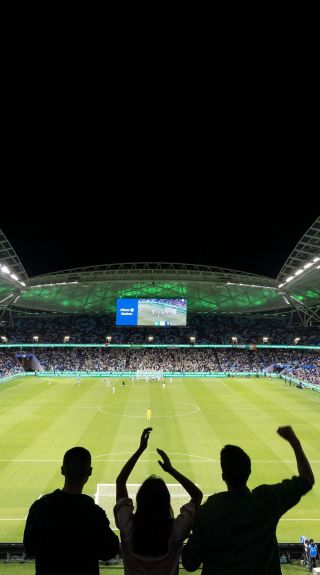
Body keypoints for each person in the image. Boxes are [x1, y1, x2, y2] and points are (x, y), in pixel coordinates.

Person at [182, 426, 314, 575]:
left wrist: (184, 530)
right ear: (249, 471)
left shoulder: (208, 511)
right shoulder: (267, 500)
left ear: (223, 476)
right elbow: (307, 480)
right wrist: (294, 442)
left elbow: (189, 563)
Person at [114, 428, 202, 575]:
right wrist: (170, 470)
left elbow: (120, 481)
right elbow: (197, 495)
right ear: (166, 501)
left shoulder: (127, 526)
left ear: (140, 500)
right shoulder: (177, 531)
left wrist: (140, 450)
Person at [24, 446, 119, 575]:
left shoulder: (39, 507)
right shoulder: (94, 513)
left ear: (62, 470)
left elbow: (28, 548)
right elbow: (110, 551)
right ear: (90, 472)